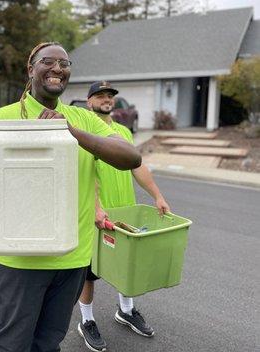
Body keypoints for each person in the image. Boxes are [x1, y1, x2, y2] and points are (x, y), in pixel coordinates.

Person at [0, 42, 142, 352]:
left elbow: (130, 157)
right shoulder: (1, 120)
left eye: (65, 63)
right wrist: (2, 236)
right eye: (48, 61)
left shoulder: (83, 120)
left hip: (72, 258)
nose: (58, 68)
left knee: (48, 341)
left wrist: (71, 133)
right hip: (19, 262)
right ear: (31, 69)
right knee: (12, 344)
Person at [76, 81, 171, 352]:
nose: (107, 99)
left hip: (125, 212)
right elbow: (83, 173)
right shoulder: (85, 131)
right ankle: (87, 321)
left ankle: (126, 311)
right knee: (90, 272)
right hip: (96, 215)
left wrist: (157, 195)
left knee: (127, 265)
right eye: (100, 95)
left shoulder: (121, 132)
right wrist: (94, 206)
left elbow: (137, 166)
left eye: (110, 96)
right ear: (88, 100)